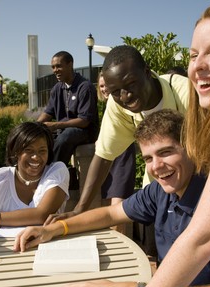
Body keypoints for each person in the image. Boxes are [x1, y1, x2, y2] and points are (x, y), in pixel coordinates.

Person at [14, 109, 210, 287]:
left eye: (166, 152)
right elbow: (111, 214)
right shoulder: (163, 191)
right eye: (148, 158)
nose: (157, 167)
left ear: (190, 147)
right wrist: (54, 228)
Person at [49, 45, 189, 221]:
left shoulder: (187, 93)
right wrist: (79, 211)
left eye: (131, 84)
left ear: (147, 72)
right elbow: (103, 156)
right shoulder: (118, 106)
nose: (125, 97)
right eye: (115, 92)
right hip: (161, 188)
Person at [0, 121, 69, 227]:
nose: (36, 157)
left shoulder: (57, 171)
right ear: (16, 152)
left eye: (42, 151)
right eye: (29, 150)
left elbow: (42, 215)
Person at [37, 51, 99, 166]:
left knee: (66, 137)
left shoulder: (85, 87)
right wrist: (34, 127)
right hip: (64, 130)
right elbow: (48, 112)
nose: (55, 70)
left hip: (85, 132)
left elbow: (84, 121)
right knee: (39, 136)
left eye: (59, 66)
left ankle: (53, 173)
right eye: (53, 67)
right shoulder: (57, 88)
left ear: (70, 65)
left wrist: (55, 125)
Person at [97, 71, 136, 234]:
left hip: (123, 157)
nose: (104, 89)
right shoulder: (106, 107)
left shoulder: (123, 103)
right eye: (101, 86)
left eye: (106, 85)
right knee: (109, 208)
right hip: (109, 160)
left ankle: (120, 246)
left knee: (117, 208)